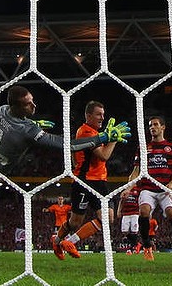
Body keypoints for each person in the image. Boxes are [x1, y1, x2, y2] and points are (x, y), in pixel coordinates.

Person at [0, 85, 130, 218]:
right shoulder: (29, 131)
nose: (34, 106)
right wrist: (103, 137)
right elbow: (67, 145)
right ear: (19, 108)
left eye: (32, 102)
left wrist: (34, 121)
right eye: (29, 105)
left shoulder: (2, 109)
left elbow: (15, 124)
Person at [52, 101, 124, 260]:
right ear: (88, 115)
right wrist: (113, 139)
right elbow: (104, 155)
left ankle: (69, 242)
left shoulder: (96, 133)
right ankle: (56, 241)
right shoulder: (85, 132)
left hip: (100, 182)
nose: (102, 117)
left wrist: (108, 136)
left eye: (103, 115)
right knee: (75, 222)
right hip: (84, 182)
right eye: (99, 114)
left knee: (108, 218)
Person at [126, 116, 172, 261]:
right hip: (148, 188)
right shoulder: (143, 148)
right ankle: (147, 247)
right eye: (150, 125)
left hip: (166, 188)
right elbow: (136, 171)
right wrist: (128, 187)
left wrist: (171, 183)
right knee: (144, 210)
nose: (152, 127)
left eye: (155, 125)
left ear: (163, 127)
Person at [117, 186, 140, 254]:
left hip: (135, 213)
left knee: (134, 231)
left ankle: (132, 249)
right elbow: (121, 201)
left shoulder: (138, 190)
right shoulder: (126, 190)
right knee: (124, 231)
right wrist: (119, 210)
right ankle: (137, 244)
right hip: (126, 213)